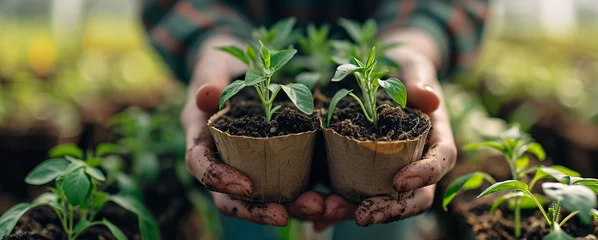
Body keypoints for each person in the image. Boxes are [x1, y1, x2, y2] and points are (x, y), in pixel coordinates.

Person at [143, 0, 487, 239]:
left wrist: (414, 44)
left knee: (382, 217)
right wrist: (212, 43)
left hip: (379, 50)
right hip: (247, 46)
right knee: (250, 216)